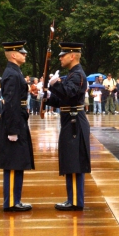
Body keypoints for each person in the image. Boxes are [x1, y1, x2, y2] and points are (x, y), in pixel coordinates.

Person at [0, 40, 35, 212]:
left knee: (17, 162)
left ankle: (15, 200)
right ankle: (10, 202)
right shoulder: (11, 74)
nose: (25, 55)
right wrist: (12, 130)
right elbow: (10, 104)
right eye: (22, 53)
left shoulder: (15, 72)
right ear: (14, 55)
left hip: (18, 120)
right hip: (14, 122)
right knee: (12, 163)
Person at [47, 42, 91, 211]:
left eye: (63, 55)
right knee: (70, 159)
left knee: (74, 162)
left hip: (74, 122)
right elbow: (63, 100)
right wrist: (48, 97)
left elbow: (69, 94)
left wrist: (55, 85)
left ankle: (75, 201)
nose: (60, 58)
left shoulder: (77, 75)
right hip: (70, 120)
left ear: (72, 56)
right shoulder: (72, 74)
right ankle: (73, 199)